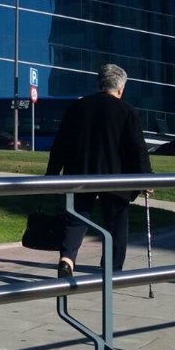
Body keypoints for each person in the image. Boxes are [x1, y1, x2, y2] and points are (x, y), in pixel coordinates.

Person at [46, 63, 152, 277]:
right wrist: (146, 178)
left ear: (99, 83)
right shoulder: (127, 111)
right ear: (121, 88)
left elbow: (61, 143)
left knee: (76, 218)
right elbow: (137, 148)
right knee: (116, 223)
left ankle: (67, 259)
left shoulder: (78, 107)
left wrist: (52, 173)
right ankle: (112, 269)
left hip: (80, 172)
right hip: (115, 177)